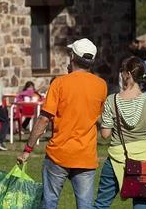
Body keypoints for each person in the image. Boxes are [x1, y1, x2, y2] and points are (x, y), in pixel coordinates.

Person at [17, 38, 107, 209]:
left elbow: (43, 119)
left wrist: (27, 150)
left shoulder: (59, 83)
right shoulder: (101, 86)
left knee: (49, 203)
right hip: (86, 155)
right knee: (86, 206)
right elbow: (96, 115)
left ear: (72, 57)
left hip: (59, 154)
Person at [93, 56, 146, 209]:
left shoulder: (111, 100)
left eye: (122, 71)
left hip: (116, 158)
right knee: (141, 203)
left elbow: (105, 135)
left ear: (128, 74)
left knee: (101, 204)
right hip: (144, 159)